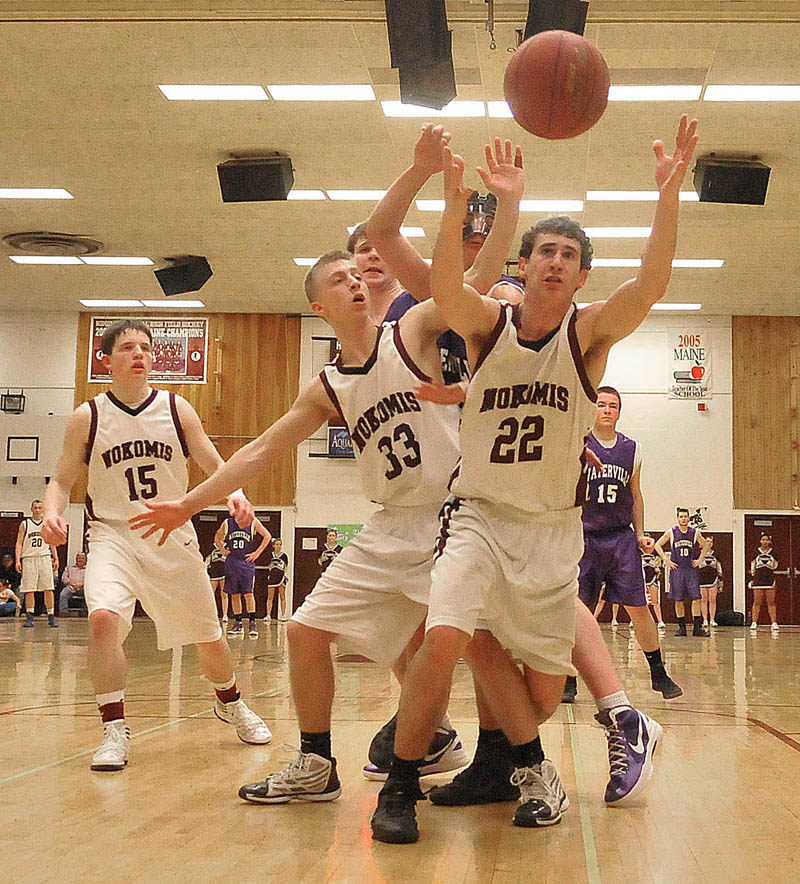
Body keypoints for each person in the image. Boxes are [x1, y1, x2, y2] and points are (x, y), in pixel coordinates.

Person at [370, 114, 698, 844]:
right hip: (479, 514)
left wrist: (667, 197)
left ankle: (533, 759)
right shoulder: (488, 324)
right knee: (446, 637)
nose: (555, 261)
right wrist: (459, 203)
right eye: (544, 250)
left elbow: (650, 283)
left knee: (543, 700)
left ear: (582, 275)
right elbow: (446, 285)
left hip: (553, 534)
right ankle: (398, 784)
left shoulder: (589, 335)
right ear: (526, 264)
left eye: (568, 254)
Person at [128, 242, 472, 806]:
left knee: (465, 651)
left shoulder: (410, 331)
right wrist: (188, 505)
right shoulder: (326, 386)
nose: (356, 281)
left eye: (357, 274)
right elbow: (261, 450)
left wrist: (475, 217)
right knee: (304, 630)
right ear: (319, 308)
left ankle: (497, 753)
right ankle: (317, 764)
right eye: (339, 279)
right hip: (390, 524)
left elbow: (463, 288)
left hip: (452, 518)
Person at [41, 318, 272, 772]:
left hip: (172, 534)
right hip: (113, 534)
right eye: (127, 347)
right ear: (106, 360)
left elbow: (212, 461)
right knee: (104, 621)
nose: (140, 354)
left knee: (209, 637)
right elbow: (62, 479)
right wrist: (52, 512)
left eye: (145, 347)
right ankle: (113, 729)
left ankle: (231, 701)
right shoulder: (88, 417)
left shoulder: (175, 408)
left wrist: (235, 494)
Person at [567, 387, 682, 700]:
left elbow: (636, 494)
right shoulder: (576, 443)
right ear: (593, 409)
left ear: (619, 412)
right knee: (578, 609)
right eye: (601, 404)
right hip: (584, 536)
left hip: (620, 538)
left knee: (638, 606)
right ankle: (568, 677)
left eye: (612, 406)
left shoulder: (632, 449)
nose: (606, 410)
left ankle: (659, 674)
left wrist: (641, 532)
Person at [215, 514, 271, 637]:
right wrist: (223, 551)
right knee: (235, 594)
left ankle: (252, 623)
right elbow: (217, 538)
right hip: (232, 561)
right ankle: (238, 623)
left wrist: (257, 553)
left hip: (246, 562)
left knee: (248, 594)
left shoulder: (252, 521)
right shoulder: (227, 523)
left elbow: (267, 536)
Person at [655, 507, 708, 636]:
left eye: (685, 516)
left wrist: (700, 560)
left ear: (689, 518)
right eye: (681, 516)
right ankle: (682, 628)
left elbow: (706, 545)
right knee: (678, 599)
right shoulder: (672, 532)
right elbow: (657, 545)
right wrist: (665, 559)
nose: (683, 519)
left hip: (691, 569)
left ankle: (697, 628)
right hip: (677, 570)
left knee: (696, 598)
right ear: (678, 518)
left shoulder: (694, 532)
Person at [16, 500, 59, 628]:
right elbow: (19, 543)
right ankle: (30, 617)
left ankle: (51, 616)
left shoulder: (46, 524)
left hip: (44, 557)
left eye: (40, 507)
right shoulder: (25, 524)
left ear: (43, 509)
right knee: (29, 589)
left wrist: (56, 558)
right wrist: (18, 559)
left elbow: (51, 542)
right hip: (29, 558)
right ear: (31, 509)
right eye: (35, 507)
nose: (38, 510)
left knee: (48, 588)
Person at [750, 533, 779, 632]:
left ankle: (774, 623)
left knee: (771, 602)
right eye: (763, 539)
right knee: (757, 602)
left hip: (769, 580)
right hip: (758, 580)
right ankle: (754, 622)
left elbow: (775, 565)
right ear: (760, 541)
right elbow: (752, 566)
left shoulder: (774, 553)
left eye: (767, 540)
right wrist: (753, 578)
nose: (765, 541)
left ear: (770, 541)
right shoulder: (755, 552)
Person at [698, 535, 723, 628]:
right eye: (707, 541)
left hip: (713, 579)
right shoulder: (698, 554)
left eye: (710, 542)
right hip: (701, 580)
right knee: (703, 600)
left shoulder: (716, 554)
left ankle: (712, 619)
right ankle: (704, 619)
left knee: (712, 600)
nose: (708, 543)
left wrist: (720, 580)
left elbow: (719, 568)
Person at [641, 540, 666, 628]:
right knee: (639, 602)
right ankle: (635, 621)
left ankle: (660, 620)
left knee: (655, 602)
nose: (647, 546)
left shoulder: (656, 557)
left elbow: (660, 570)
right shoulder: (637, 556)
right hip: (641, 581)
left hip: (653, 580)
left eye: (649, 544)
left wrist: (657, 570)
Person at [265, 538, 289, 622]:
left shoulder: (284, 556)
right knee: (270, 597)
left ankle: (283, 615)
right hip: (272, 577)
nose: (279, 546)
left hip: (281, 577)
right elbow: (268, 566)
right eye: (277, 544)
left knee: (282, 596)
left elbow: (286, 567)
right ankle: (268, 615)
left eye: (280, 544)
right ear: (273, 546)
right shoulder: (270, 555)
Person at [205, 539, 228, 621]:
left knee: (224, 594)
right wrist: (205, 569)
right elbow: (207, 560)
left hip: (224, 573)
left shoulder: (227, 546)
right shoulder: (211, 547)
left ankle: (225, 614)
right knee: (211, 594)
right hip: (213, 573)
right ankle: (212, 614)